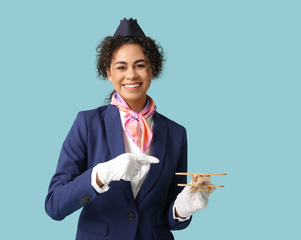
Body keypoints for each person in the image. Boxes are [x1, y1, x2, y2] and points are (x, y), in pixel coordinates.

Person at [45, 18, 213, 240]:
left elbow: (171, 220)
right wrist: (99, 176)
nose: (131, 75)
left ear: (152, 69)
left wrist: (182, 209)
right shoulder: (87, 123)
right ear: (108, 73)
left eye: (140, 65)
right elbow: (55, 206)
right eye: (121, 67)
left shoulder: (176, 133)